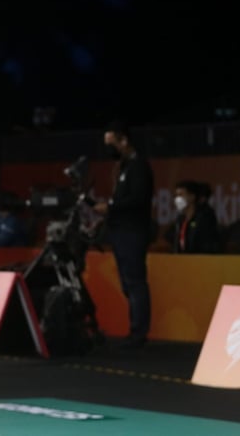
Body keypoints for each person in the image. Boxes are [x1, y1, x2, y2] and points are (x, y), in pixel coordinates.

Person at [92, 119, 154, 349]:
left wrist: (111, 207)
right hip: (119, 231)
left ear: (123, 140)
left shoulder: (139, 167)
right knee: (127, 284)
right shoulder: (124, 167)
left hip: (133, 232)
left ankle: (139, 332)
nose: (109, 149)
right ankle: (136, 328)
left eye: (111, 143)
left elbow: (138, 200)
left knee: (136, 282)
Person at [170, 180, 221, 254]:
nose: (177, 199)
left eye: (181, 195)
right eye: (176, 196)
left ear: (192, 197)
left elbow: (207, 246)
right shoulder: (180, 219)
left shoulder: (204, 218)